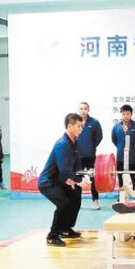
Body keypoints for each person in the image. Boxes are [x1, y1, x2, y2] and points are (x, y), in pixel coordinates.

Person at [37, 113, 85, 247]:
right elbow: (64, 169)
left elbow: (76, 164)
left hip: (61, 180)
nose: (81, 129)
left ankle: (65, 229)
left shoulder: (75, 142)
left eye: (82, 126)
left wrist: (81, 178)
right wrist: (77, 180)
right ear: (70, 127)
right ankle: (52, 236)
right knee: (63, 203)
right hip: (48, 182)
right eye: (79, 126)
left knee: (75, 197)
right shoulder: (62, 144)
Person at [76, 102, 103, 210]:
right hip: (77, 156)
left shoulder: (94, 123)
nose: (83, 111)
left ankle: (95, 200)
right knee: (78, 179)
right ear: (78, 110)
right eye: (81, 109)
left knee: (93, 178)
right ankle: (77, 202)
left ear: (88, 110)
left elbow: (99, 137)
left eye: (85, 109)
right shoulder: (74, 122)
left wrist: (91, 146)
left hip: (90, 156)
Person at [111, 104, 135, 188]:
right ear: (121, 114)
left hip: (134, 158)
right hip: (120, 158)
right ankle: (121, 194)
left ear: (131, 114)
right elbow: (114, 140)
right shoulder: (116, 127)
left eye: (128, 114)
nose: (126, 116)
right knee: (121, 180)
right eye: (123, 114)